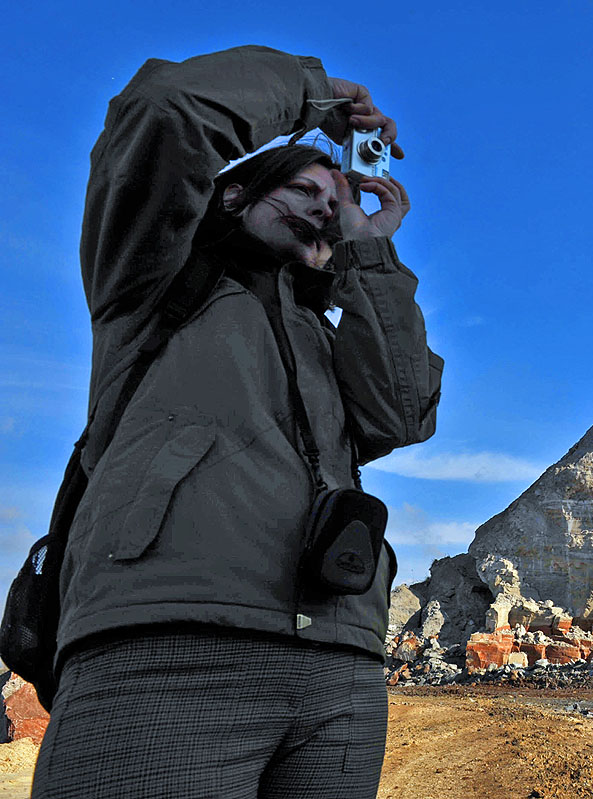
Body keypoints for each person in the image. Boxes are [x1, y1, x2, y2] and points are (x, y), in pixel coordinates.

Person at [31, 45, 442, 798]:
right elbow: (167, 113)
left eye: (337, 198)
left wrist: (370, 252)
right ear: (233, 197)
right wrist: (321, 98)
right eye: (306, 187)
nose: (328, 204)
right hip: (164, 651)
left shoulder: (328, 334)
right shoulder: (149, 281)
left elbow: (405, 413)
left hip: (340, 673)